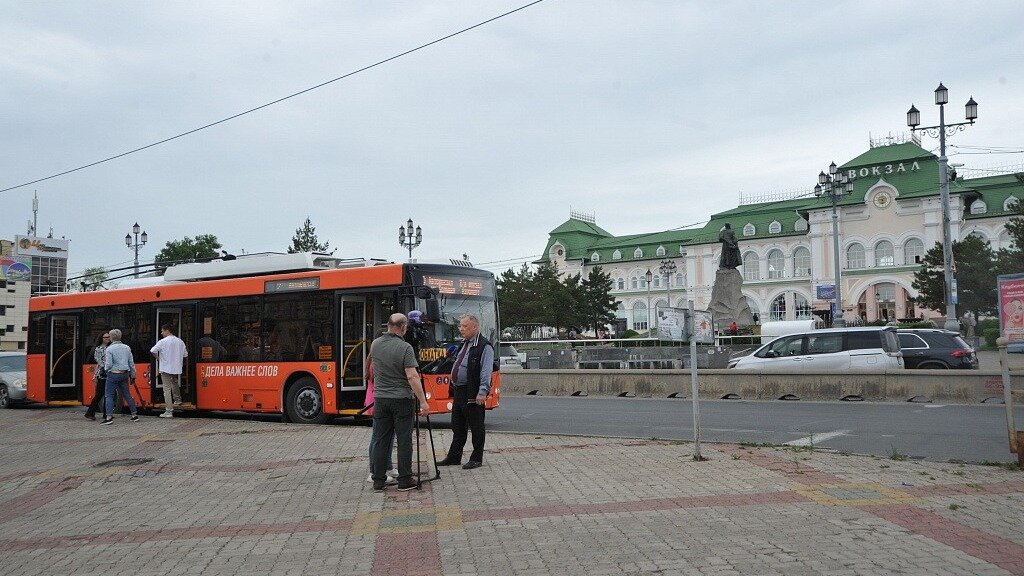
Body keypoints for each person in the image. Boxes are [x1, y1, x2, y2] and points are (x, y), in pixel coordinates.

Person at [369, 313, 430, 492]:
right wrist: (423, 402)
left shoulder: (375, 344)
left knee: (381, 440)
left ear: (388, 325)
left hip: (380, 399)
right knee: (404, 440)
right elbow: (412, 376)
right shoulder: (405, 348)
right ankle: (404, 480)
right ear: (403, 327)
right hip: (402, 399)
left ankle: (378, 480)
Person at [438, 314, 494, 470]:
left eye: (464, 326)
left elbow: (486, 371)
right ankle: (454, 457)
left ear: (475, 327)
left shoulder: (484, 346)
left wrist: (482, 392)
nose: (461, 329)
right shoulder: (464, 343)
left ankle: (476, 458)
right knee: (457, 425)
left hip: (472, 391)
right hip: (459, 391)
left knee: (476, 427)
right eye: (460, 326)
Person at [365, 328, 397, 484]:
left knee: (388, 436)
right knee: (378, 437)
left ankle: (388, 466)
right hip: (377, 399)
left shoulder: (374, 358)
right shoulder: (375, 361)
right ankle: (374, 471)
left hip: (377, 398)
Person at [150, 323, 188, 418]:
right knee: (174, 382)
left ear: (167, 331)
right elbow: (185, 355)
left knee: (166, 389)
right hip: (176, 367)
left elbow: (152, 350)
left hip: (165, 367)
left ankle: (169, 410)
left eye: (162, 331)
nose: (161, 333)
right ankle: (178, 399)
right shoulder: (180, 341)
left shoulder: (163, 341)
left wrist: (158, 358)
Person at [102, 328, 139, 425]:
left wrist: (106, 369)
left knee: (109, 395)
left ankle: (109, 417)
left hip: (113, 374)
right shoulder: (127, 347)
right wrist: (133, 374)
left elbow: (109, 364)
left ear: (111, 338)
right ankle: (134, 415)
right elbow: (131, 363)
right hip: (124, 374)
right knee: (127, 394)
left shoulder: (109, 349)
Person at [84, 332, 110, 421]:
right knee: (100, 394)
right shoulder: (98, 348)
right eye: (106, 337)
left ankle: (106, 414)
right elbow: (99, 361)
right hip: (102, 374)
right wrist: (107, 367)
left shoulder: (109, 348)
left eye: (109, 336)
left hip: (106, 373)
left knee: (107, 394)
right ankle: (90, 412)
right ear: (101, 338)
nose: (108, 338)